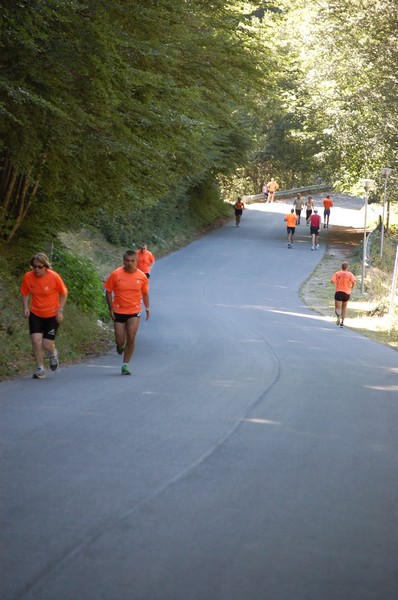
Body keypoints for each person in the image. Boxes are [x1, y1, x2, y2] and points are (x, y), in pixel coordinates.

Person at [20, 252, 68, 379]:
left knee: (46, 345)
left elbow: (63, 293)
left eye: (39, 267)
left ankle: (52, 353)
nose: (36, 269)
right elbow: (24, 293)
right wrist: (25, 307)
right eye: (34, 266)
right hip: (35, 313)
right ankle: (40, 368)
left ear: (46, 266)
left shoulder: (54, 277)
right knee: (36, 341)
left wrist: (60, 310)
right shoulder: (28, 277)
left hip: (52, 314)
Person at [104, 250, 150, 375]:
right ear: (123, 261)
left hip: (134, 310)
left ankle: (125, 365)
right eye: (127, 261)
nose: (129, 263)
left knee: (131, 336)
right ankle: (120, 346)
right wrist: (110, 308)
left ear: (137, 261)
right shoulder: (116, 274)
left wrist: (147, 308)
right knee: (120, 341)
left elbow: (145, 293)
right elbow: (108, 291)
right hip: (119, 310)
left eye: (132, 261)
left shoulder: (141, 276)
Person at [330, 262, 355, 327]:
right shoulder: (350, 274)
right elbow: (353, 281)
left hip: (339, 292)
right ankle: (342, 322)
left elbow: (332, 281)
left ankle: (338, 315)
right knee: (344, 308)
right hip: (347, 293)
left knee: (337, 308)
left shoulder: (337, 273)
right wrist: (352, 286)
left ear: (341, 267)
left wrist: (336, 282)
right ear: (347, 267)